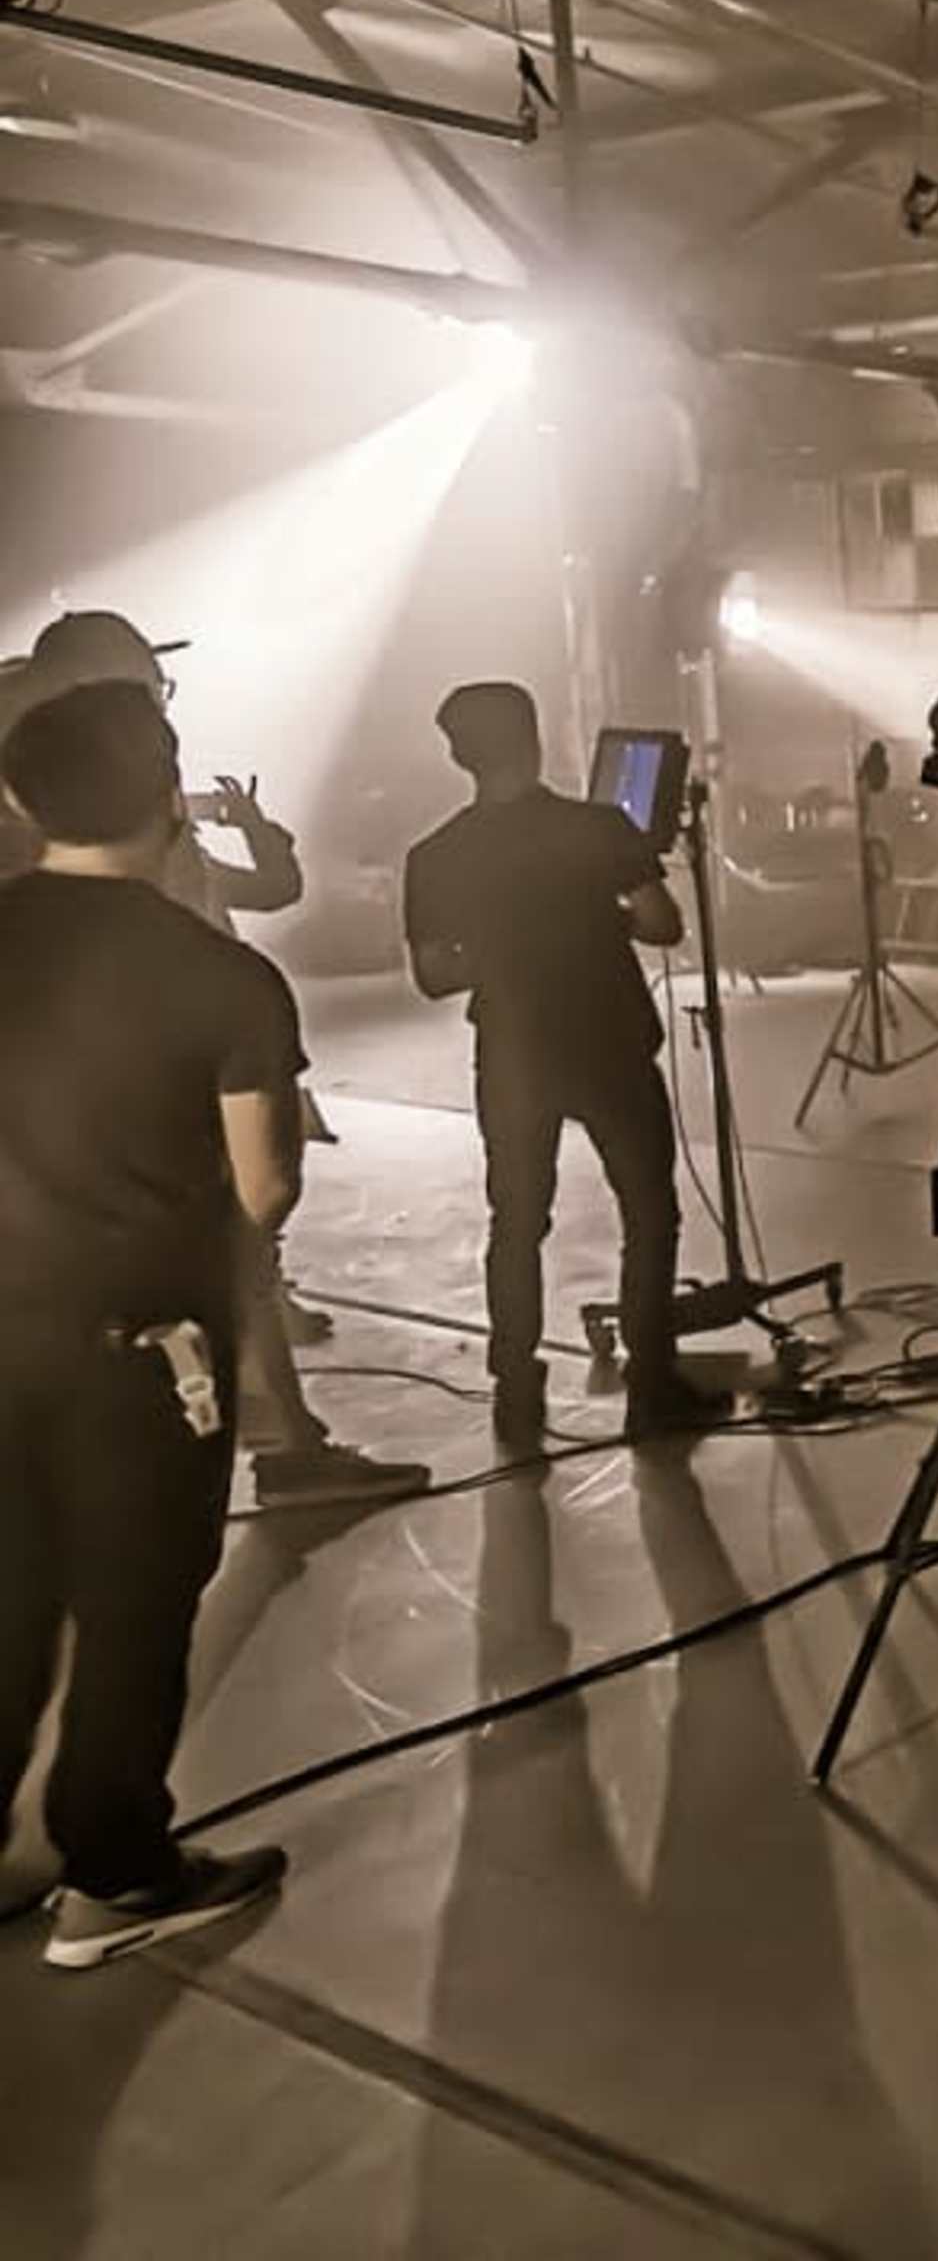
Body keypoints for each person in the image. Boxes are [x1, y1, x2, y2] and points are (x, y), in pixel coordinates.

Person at [0, 681, 296, 1966]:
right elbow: (265, 1188)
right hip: (141, 1351)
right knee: (133, 1603)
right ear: (171, 799)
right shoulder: (221, 975)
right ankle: (113, 1870)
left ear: (20, 804)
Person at [3, 610, 422, 1505]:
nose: (160, 696)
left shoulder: (90, 810)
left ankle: (269, 1438)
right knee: (219, 1242)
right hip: (153, 1064)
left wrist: (255, 830)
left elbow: (262, 888)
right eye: (145, 680)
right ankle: (275, 1447)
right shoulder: (89, 824)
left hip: (122, 1069)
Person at [401, 681, 697, 1440]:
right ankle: (653, 1384)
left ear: (457, 755)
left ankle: (515, 1391)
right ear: (538, 738)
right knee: (649, 1211)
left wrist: (500, 951)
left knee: (518, 1220)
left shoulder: (434, 856)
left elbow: (434, 974)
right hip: (609, 1042)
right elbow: (664, 925)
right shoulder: (600, 828)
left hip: (512, 1051)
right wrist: (604, 919)